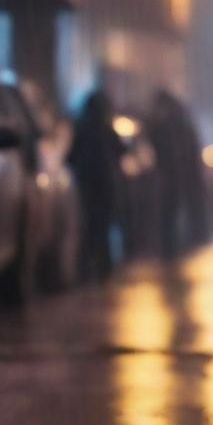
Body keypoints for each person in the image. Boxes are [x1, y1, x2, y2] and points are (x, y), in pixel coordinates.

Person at [68, 89, 124, 282]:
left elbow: (71, 157)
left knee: (90, 227)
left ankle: (87, 270)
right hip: (104, 186)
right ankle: (103, 269)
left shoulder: (82, 128)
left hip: (87, 186)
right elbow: (121, 151)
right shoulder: (106, 129)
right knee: (102, 227)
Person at [148, 89, 209, 259]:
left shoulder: (165, 123)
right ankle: (188, 242)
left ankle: (174, 247)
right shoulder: (181, 121)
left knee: (171, 211)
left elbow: (159, 145)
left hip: (173, 174)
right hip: (182, 173)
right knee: (182, 210)